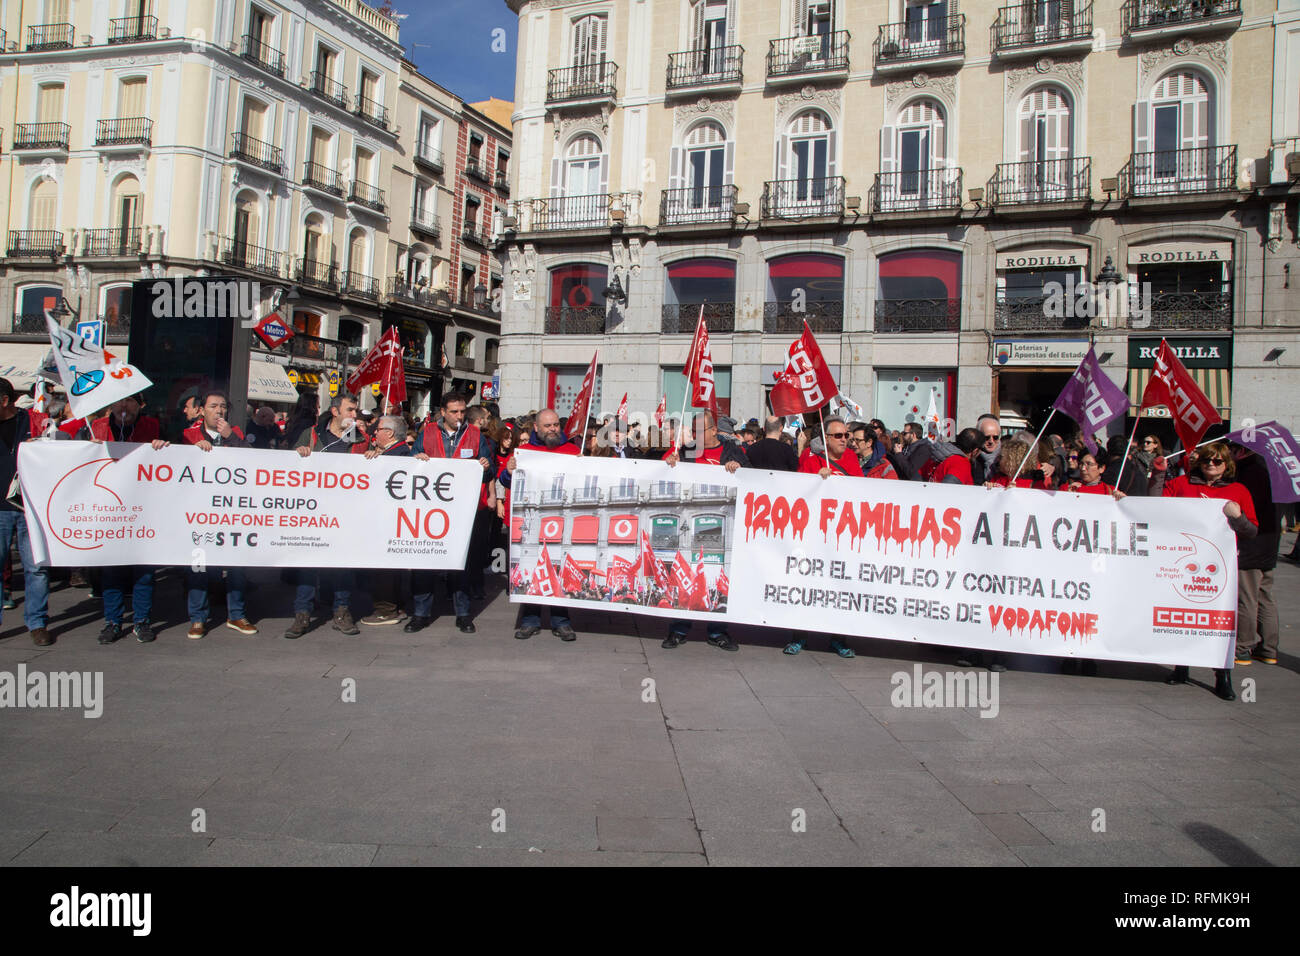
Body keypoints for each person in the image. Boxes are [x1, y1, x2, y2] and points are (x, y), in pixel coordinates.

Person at [1155, 441, 1256, 700]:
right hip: (1182, 563)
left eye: (1217, 461)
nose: (1211, 464)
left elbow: (1251, 530)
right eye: (1207, 460)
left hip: (1219, 568)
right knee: (1181, 616)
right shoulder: (1182, 485)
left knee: (1219, 622)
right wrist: (1157, 473)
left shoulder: (1238, 490)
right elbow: (1155, 506)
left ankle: (1222, 675)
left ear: (1226, 466)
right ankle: (1181, 667)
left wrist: (1237, 517)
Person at [407, 391, 495, 633]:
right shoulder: (427, 434)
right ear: (443, 412)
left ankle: (463, 614)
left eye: (462, 411)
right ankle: (420, 614)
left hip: (462, 510)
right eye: (454, 411)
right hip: (430, 510)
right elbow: (410, 463)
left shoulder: (475, 435)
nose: (459, 416)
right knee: (425, 563)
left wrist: (485, 466)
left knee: (461, 564)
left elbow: (489, 470)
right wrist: (417, 458)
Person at [286, 393, 369, 639]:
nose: (355, 415)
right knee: (308, 563)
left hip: (345, 512)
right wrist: (298, 453)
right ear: (335, 411)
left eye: (355, 411)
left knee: (342, 564)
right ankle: (302, 613)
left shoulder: (359, 438)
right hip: (313, 510)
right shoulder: (311, 435)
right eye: (351, 410)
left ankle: (341, 611)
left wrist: (373, 455)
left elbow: (370, 468)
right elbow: (288, 465)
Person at [662, 411, 746, 652]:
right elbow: (662, 471)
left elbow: (753, 476)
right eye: (693, 430)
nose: (695, 435)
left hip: (721, 520)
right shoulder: (687, 450)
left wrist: (738, 468)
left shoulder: (732, 450)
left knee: (717, 578)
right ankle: (678, 629)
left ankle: (717, 631)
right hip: (690, 520)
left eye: (700, 431)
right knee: (686, 575)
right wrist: (669, 463)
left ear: (713, 431)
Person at [90, 395, 169, 645]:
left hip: (143, 508)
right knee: (112, 570)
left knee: (143, 571)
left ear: (140, 405)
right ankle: (112, 621)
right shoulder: (97, 428)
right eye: (119, 401)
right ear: (111, 405)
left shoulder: (153, 426)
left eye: (131, 402)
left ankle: (141, 621)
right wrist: (88, 447)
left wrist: (163, 446)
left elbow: (171, 456)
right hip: (111, 508)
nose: (125, 406)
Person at [501, 408, 581, 641]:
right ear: (536, 428)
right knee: (531, 568)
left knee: (558, 569)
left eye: (556, 424)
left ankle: (561, 621)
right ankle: (529, 620)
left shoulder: (573, 451)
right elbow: (506, 481)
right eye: (548, 426)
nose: (553, 429)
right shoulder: (524, 452)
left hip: (562, 521)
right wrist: (508, 470)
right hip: (533, 520)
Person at [181, 391, 257, 638]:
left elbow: (252, 461)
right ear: (202, 410)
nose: (220, 411)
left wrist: (230, 438)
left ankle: (236, 614)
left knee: (236, 566)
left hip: (231, 510)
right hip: (201, 512)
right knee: (200, 565)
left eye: (223, 406)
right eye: (213, 406)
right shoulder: (189, 435)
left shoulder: (235, 433)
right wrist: (194, 450)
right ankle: (198, 618)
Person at [784, 414, 858, 659]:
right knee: (806, 586)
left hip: (840, 537)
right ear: (826, 439)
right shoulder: (811, 458)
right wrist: (816, 479)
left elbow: (862, 491)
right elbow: (799, 490)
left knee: (838, 589)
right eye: (839, 435)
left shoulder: (850, 459)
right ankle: (799, 637)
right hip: (812, 536)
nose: (845, 440)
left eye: (846, 435)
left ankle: (838, 639)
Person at [0, 378, 53, 646]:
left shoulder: (34, 421)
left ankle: (37, 622)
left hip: (29, 507)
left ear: (5, 401)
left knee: (36, 568)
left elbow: (56, 451)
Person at [360, 416, 413, 628]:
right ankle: (396, 606)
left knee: (383, 568)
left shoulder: (396, 455)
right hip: (392, 519)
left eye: (378, 429)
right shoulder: (394, 452)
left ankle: (385, 610)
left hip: (387, 520)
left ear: (390, 433)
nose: (375, 433)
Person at [1231, 443, 1279, 666]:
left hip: (1253, 541)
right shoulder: (1271, 468)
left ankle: (1243, 646)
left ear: (1241, 452)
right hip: (1270, 539)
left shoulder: (1248, 472)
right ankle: (1269, 648)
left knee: (1247, 596)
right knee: (1264, 595)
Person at [972, 414, 1001, 485]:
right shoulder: (971, 458)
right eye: (987, 437)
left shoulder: (1006, 459)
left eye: (995, 437)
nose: (991, 441)